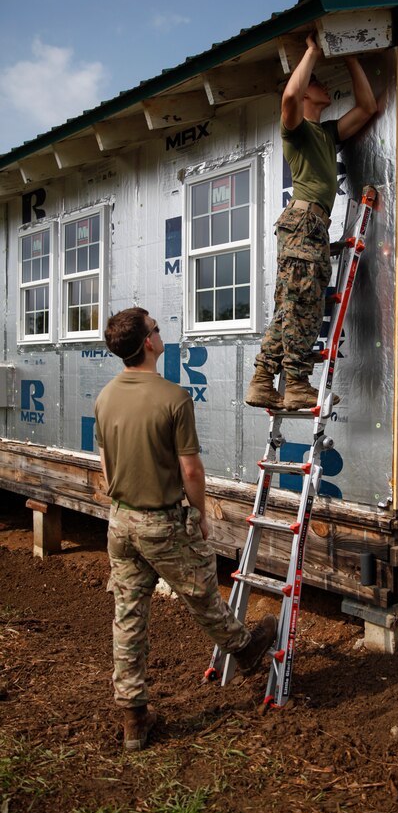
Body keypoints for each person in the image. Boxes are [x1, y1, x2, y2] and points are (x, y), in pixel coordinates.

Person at [95, 307, 277, 752]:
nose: (162, 333)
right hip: (160, 520)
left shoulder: (104, 397)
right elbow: (191, 470)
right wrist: (199, 515)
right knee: (200, 592)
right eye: (157, 328)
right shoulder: (173, 397)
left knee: (129, 617)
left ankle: (134, 717)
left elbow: (104, 463)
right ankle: (245, 648)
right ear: (148, 344)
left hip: (119, 520)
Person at [245, 32, 377, 411]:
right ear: (305, 96)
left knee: (290, 306)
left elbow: (367, 107)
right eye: (315, 83)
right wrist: (312, 52)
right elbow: (289, 98)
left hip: (312, 225)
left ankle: (261, 381)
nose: (321, 84)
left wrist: (352, 59)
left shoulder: (325, 132)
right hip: (303, 222)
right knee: (303, 304)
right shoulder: (297, 131)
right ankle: (298, 383)